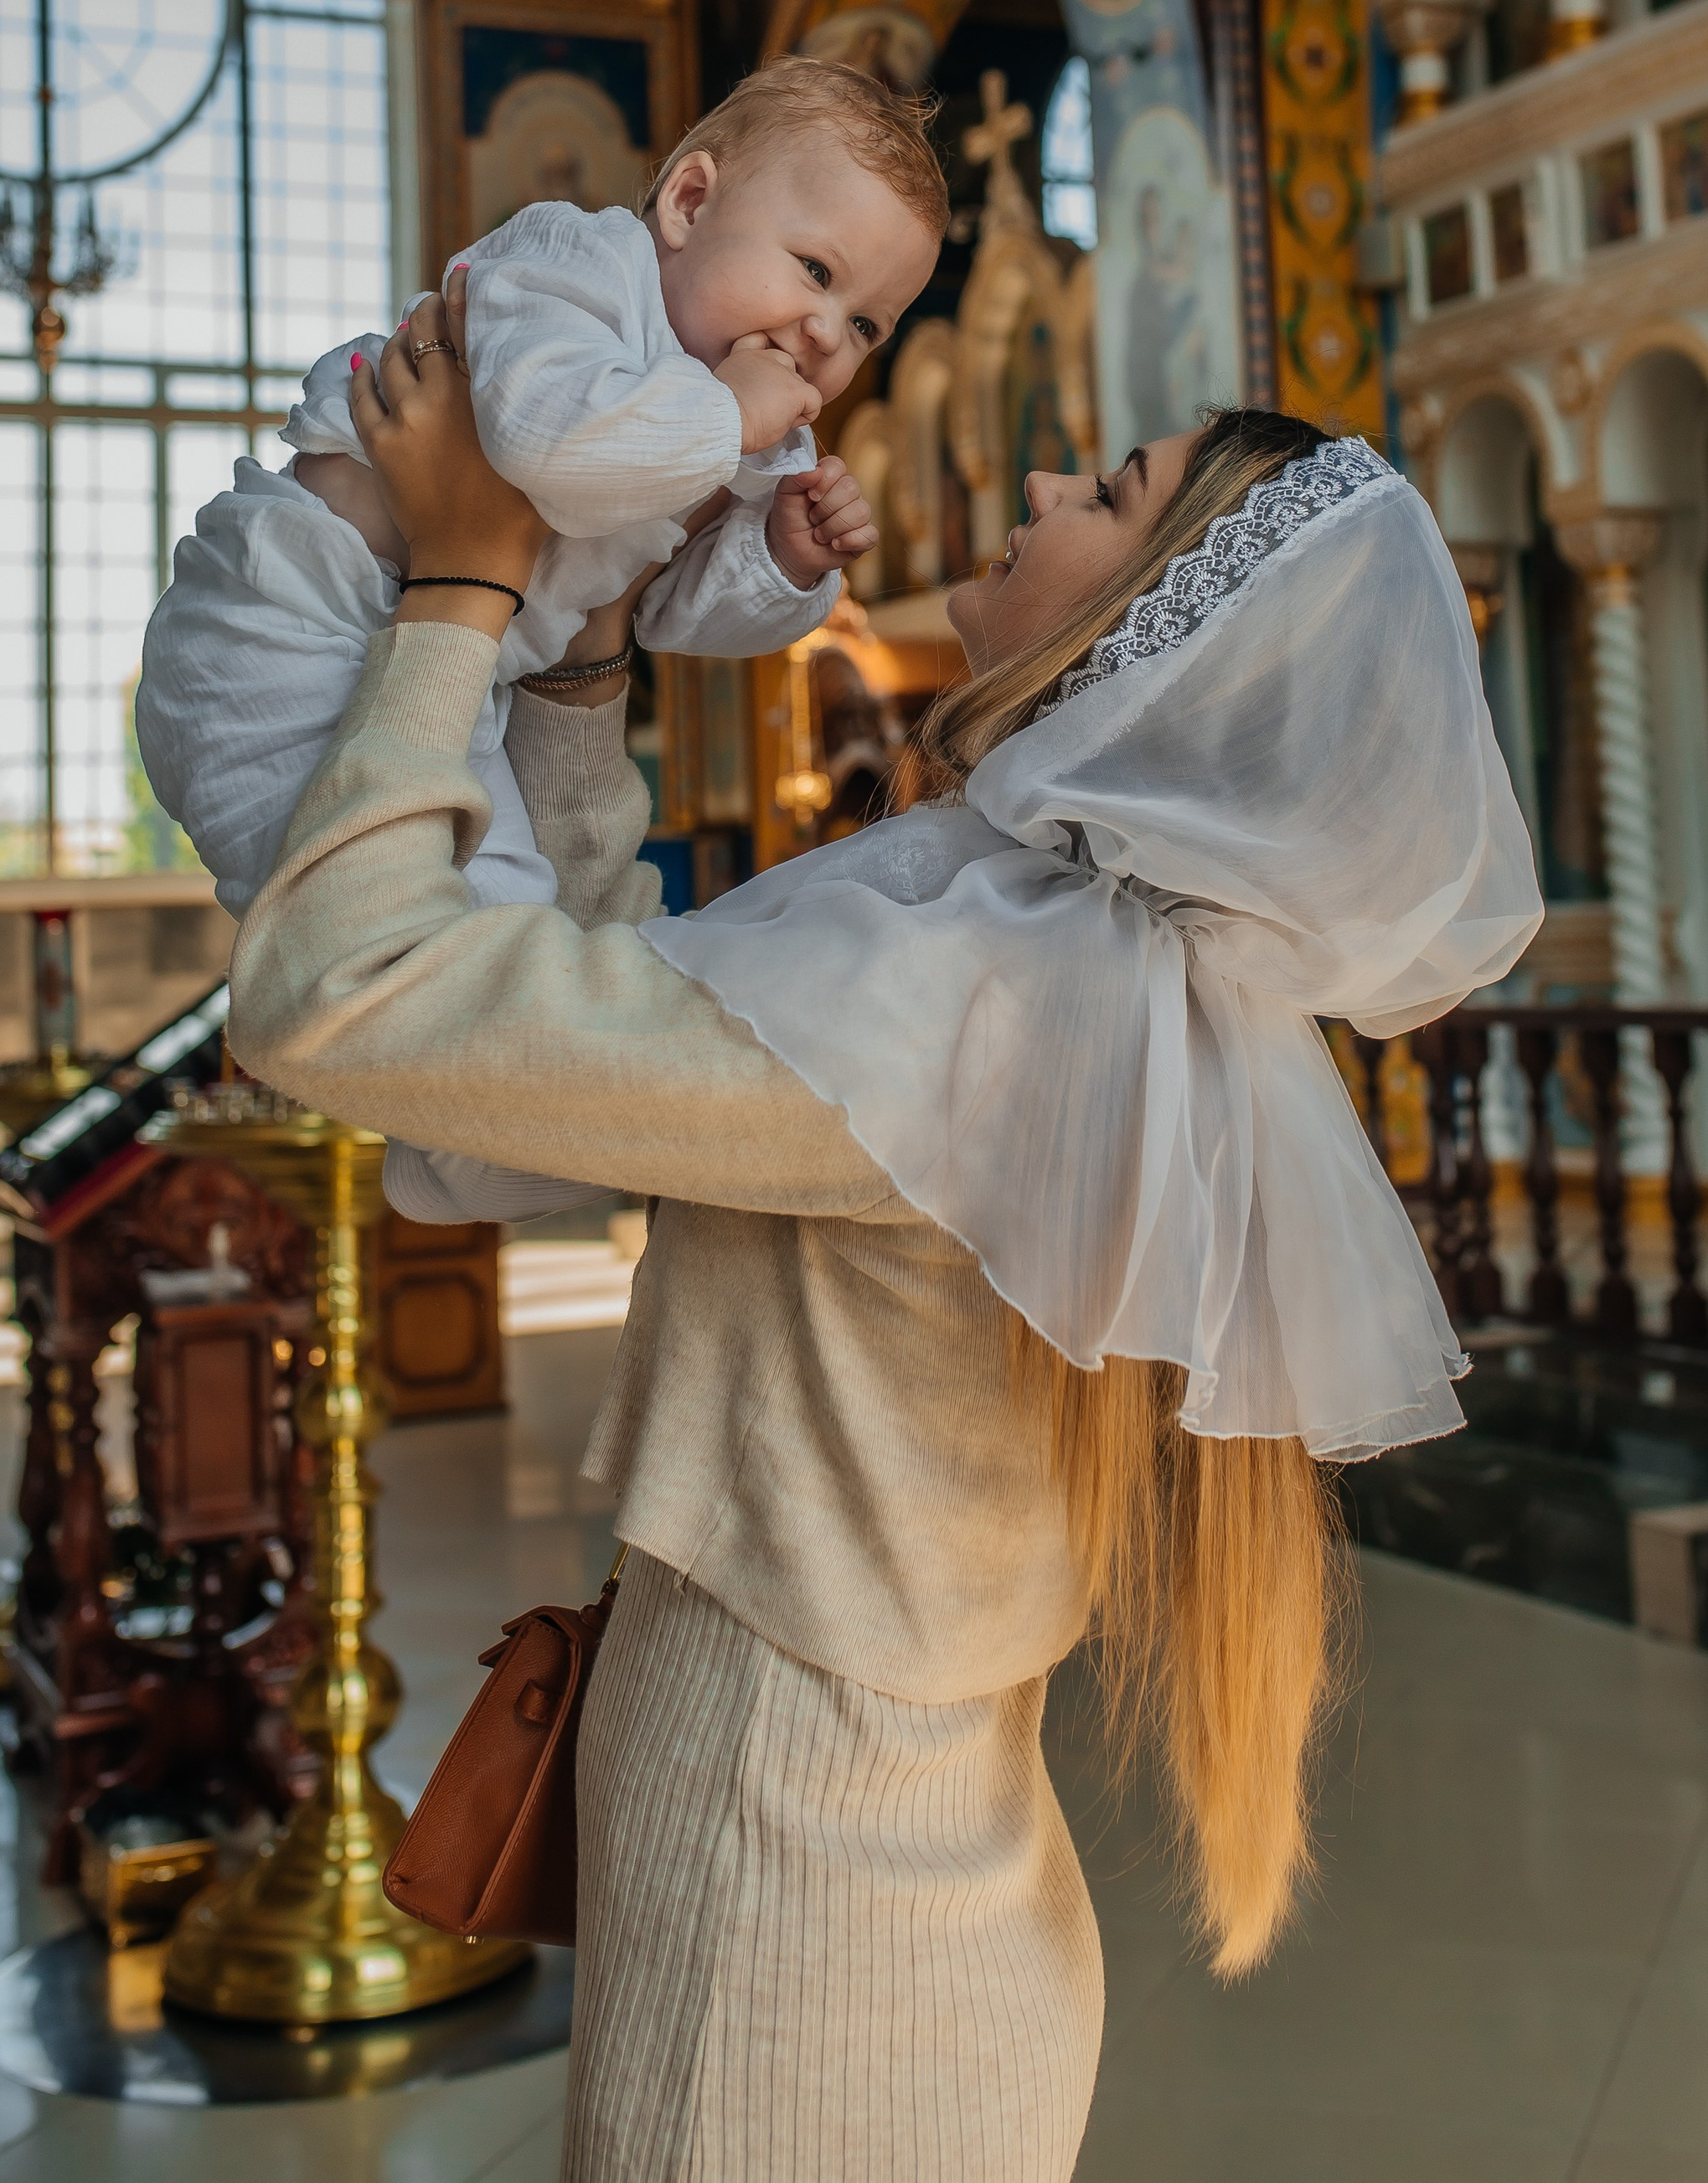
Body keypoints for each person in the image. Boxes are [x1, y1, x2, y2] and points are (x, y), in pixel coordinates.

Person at [227, 291, 1540, 2181]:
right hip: (894, 1848)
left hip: (795, 1886)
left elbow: (339, 997)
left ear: (1154, 633)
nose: (1034, 479)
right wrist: (585, 663)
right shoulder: (1042, 958)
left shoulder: (961, 997)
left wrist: (461, 583)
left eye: (1109, 486)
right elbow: (562, 1056)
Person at [136, 61, 944, 917]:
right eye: (815, 270)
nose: (825, 334)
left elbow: (668, 617)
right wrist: (726, 419)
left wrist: (782, 561)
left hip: (450, 684)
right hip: (285, 629)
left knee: (508, 930)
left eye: (866, 325)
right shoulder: (579, 267)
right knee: (371, 939)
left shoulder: (754, 423)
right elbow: (545, 447)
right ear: (690, 204)